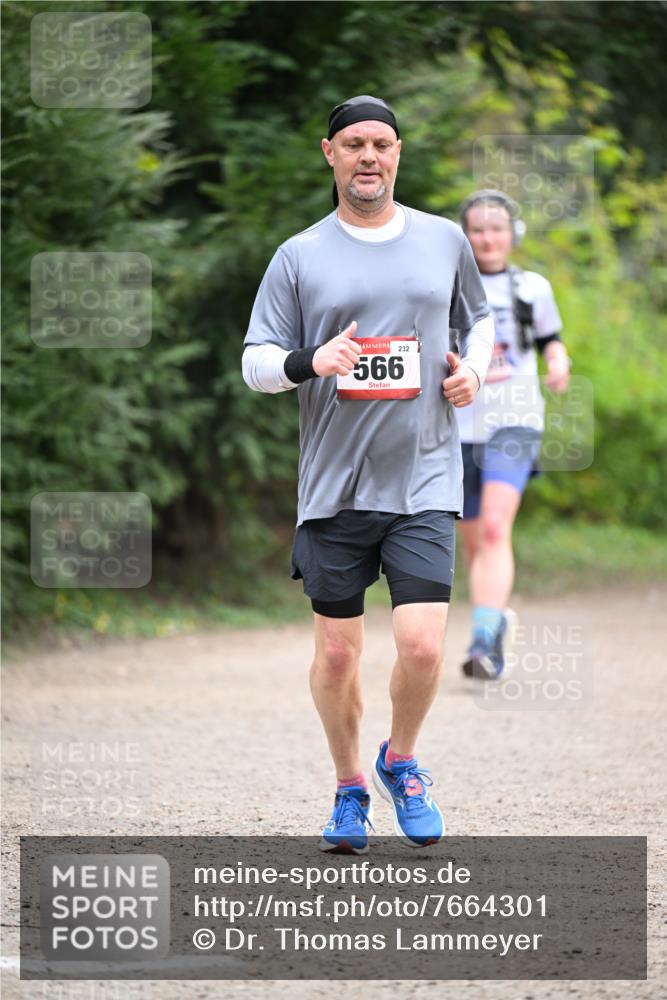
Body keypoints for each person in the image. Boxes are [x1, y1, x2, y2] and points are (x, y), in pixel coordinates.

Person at [242, 96, 494, 853]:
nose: (368, 157)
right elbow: (255, 361)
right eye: (353, 143)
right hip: (335, 487)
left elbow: (479, 320)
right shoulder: (298, 256)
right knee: (336, 654)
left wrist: (474, 372)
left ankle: (401, 761)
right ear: (330, 153)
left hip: (423, 478)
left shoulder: (443, 240)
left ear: (397, 152)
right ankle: (350, 787)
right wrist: (309, 360)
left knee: (422, 647)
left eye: (380, 144)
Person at [454, 190, 571, 681]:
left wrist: (558, 361)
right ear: (464, 235)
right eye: (478, 230)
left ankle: (483, 644)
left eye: (497, 228)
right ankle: (494, 620)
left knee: (495, 529)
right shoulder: (447, 286)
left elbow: (549, 338)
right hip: (457, 426)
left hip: (515, 419)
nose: (488, 238)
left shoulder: (532, 287)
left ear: (513, 233)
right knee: (475, 542)